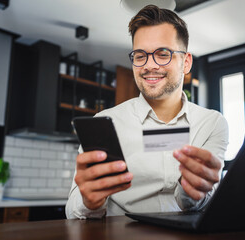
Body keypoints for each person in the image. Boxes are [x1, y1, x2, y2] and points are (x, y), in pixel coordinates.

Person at [65, 4, 228, 219]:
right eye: (140, 55)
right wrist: (89, 202)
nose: (149, 65)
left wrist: (193, 191)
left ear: (186, 62)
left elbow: (200, 202)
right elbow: (72, 211)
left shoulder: (212, 123)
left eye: (162, 54)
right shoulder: (105, 122)